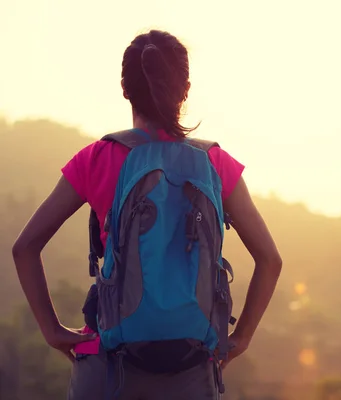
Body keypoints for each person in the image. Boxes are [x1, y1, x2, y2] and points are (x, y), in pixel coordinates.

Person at [12, 29, 282, 399]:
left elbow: (25, 247)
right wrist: (240, 338)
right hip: (192, 369)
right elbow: (270, 260)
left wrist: (53, 330)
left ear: (125, 89)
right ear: (185, 88)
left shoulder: (97, 157)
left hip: (107, 368)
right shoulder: (214, 162)